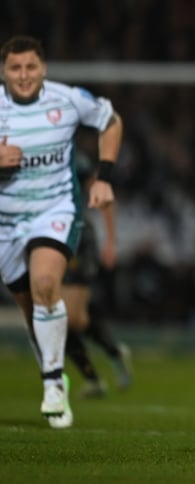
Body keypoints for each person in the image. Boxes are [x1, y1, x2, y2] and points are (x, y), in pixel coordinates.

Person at [0, 35, 123, 428]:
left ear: (43, 68)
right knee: (31, 310)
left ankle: (54, 387)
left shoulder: (67, 99)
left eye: (30, 67)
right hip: (5, 221)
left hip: (54, 211)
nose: (23, 75)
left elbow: (111, 121)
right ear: (5, 71)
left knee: (46, 283)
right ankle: (54, 372)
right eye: (15, 68)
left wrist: (103, 177)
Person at [63, 153, 132, 398]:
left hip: (77, 237)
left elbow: (104, 196)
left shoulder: (76, 161)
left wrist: (111, 241)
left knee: (69, 319)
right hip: (43, 236)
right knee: (58, 318)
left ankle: (109, 356)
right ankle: (96, 375)